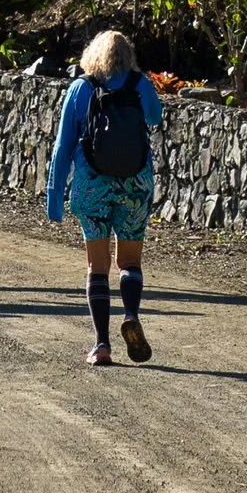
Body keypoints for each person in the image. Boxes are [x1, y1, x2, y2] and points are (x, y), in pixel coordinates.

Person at [44, 25, 166, 367]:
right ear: (128, 56)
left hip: (92, 184)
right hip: (135, 184)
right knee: (129, 262)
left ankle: (101, 345)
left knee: (97, 268)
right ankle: (130, 313)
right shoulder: (139, 84)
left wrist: (54, 196)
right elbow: (155, 118)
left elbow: (63, 144)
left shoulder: (81, 88)